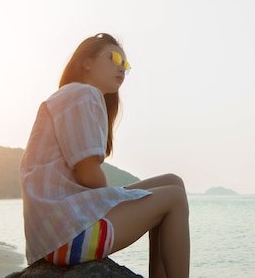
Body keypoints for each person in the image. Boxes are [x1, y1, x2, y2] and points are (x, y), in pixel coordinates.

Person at [20, 33, 190, 278]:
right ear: (86, 61)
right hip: (67, 236)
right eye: (115, 58)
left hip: (51, 233)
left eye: (126, 66)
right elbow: (88, 174)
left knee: (173, 182)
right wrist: (111, 199)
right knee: (174, 197)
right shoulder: (83, 94)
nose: (122, 68)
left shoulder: (68, 96)